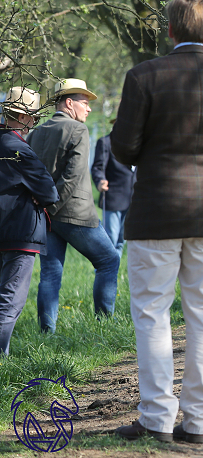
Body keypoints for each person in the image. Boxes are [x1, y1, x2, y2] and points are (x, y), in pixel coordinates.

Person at [112, 0, 203, 444]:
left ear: (170, 31)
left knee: (152, 314)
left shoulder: (143, 77)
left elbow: (123, 147)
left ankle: (156, 417)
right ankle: (197, 420)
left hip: (155, 210)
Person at [28, 78, 120, 333]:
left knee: (50, 273)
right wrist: (53, 205)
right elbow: (73, 176)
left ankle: (47, 333)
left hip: (44, 215)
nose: (89, 108)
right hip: (74, 215)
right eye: (85, 102)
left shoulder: (36, 132)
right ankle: (105, 325)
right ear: (69, 103)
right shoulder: (78, 131)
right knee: (109, 260)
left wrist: (45, 207)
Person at [0, 87, 58, 355]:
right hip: (20, 231)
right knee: (10, 300)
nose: (34, 122)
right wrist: (37, 194)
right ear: (23, 117)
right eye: (33, 117)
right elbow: (48, 190)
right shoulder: (17, 147)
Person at [91, 119, 136, 258]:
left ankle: (114, 272)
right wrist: (100, 181)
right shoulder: (105, 142)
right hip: (114, 198)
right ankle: (106, 271)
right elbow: (98, 167)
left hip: (134, 198)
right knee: (111, 239)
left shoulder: (136, 144)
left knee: (122, 240)